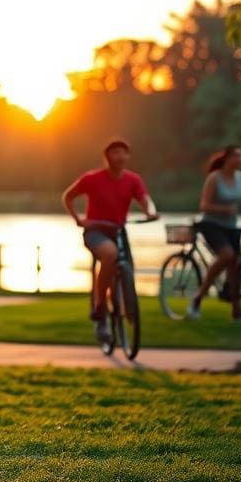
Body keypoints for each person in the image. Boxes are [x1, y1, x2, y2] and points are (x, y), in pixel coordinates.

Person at [62, 140, 159, 343]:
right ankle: (99, 306)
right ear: (107, 157)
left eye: (124, 152)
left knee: (127, 269)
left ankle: (128, 309)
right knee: (110, 254)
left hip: (119, 232)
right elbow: (68, 197)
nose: (121, 156)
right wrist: (78, 219)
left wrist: (150, 212)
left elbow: (144, 199)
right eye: (116, 152)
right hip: (95, 232)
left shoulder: (133, 180)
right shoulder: (92, 179)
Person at [188, 145, 241, 321]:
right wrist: (222, 209)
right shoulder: (214, 178)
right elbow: (204, 205)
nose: (240, 159)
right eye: (236, 156)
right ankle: (199, 296)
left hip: (232, 227)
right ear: (227, 159)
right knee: (227, 255)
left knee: (235, 266)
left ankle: (237, 311)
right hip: (211, 224)